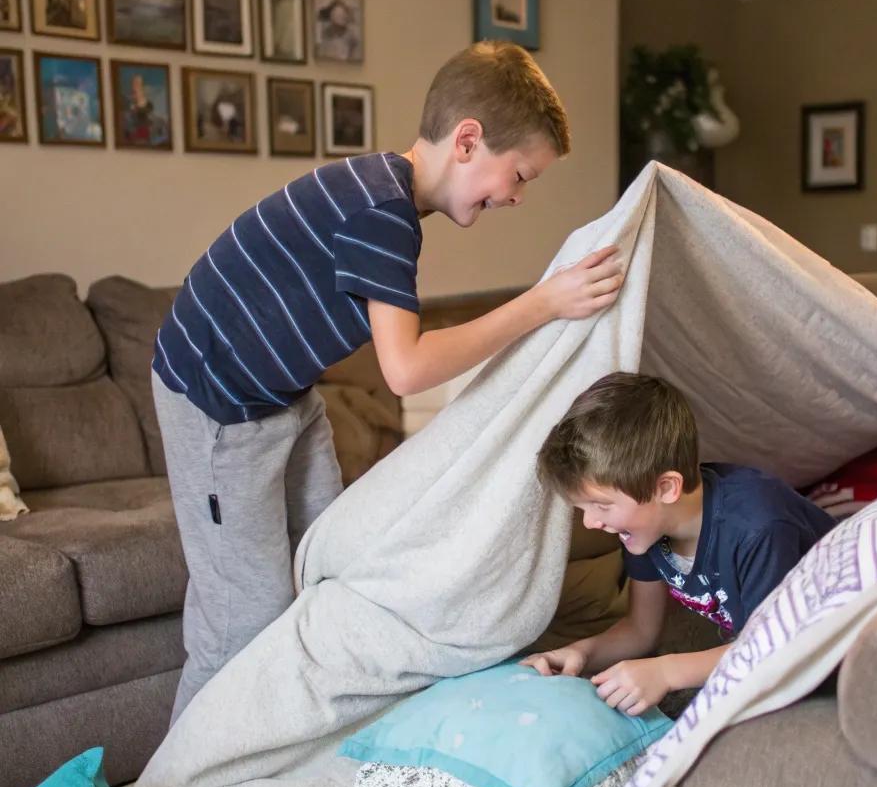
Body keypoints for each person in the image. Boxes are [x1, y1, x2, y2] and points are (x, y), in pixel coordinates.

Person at [153, 41, 622, 724]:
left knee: (332, 567)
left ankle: (294, 742)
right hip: (217, 409)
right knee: (242, 617)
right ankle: (175, 785)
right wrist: (541, 303)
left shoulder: (383, 195)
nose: (516, 197)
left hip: (284, 398)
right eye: (518, 175)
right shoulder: (382, 214)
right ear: (467, 141)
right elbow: (405, 371)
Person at [523, 372, 835, 714]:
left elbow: (775, 647)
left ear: (666, 488)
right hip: (762, 641)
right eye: (582, 509)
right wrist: (582, 653)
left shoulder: (758, 528)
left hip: (832, 645)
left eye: (602, 505)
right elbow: (641, 630)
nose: (591, 523)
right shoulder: (647, 528)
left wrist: (667, 671)